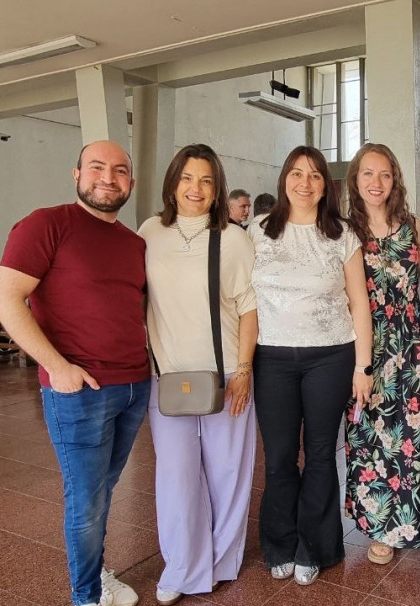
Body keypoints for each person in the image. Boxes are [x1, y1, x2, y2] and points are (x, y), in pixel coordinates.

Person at [0, 140, 149, 606]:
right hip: (79, 392)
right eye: (97, 167)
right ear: (76, 173)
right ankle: (86, 596)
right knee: (87, 499)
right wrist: (57, 366)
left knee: (103, 488)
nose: (108, 178)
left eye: (119, 171)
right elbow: (5, 299)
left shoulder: (133, 243)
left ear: (130, 184)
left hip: (133, 386)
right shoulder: (46, 224)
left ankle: (95, 574)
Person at [248, 146, 373, 586]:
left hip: (330, 355)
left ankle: (314, 546)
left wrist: (363, 367)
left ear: (326, 184)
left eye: (315, 175)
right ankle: (280, 542)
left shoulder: (342, 233)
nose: (305, 182)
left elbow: (360, 304)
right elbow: (242, 302)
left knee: (320, 454)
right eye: (297, 174)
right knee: (280, 456)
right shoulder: (257, 231)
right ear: (284, 179)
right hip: (272, 358)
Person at [139, 144, 258, 605]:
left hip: (227, 373)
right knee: (176, 476)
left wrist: (244, 368)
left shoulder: (233, 238)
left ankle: (222, 562)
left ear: (217, 188)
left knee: (229, 472)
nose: (196, 188)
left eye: (206, 181)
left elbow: (249, 308)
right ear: (172, 183)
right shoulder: (150, 232)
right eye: (187, 178)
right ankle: (182, 568)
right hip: (167, 377)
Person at [342, 143, 420, 565]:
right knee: (371, 438)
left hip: (413, 345)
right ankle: (377, 527)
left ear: (394, 179)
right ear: (355, 180)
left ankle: (407, 523)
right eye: (367, 174)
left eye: (384, 174)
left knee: (412, 438)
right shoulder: (345, 230)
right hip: (368, 345)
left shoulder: (411, 225)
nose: (376, 183)